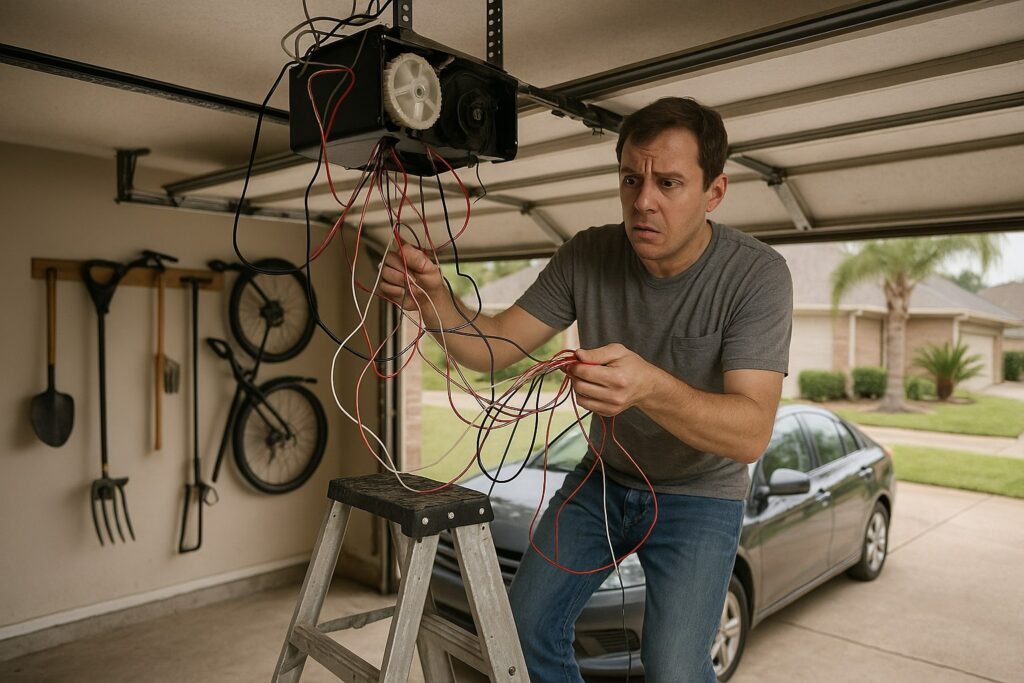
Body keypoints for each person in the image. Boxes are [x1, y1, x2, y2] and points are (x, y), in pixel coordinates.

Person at [378, 97, 793, 682]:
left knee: (674, 667)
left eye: (669, 183)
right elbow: (494, 347)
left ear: (715, 192)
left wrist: (649, 385)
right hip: (603, 477)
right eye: (630, 179)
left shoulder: (757, 276)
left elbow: (750, 432)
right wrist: (436, 302)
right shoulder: (587, 254)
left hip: (701, 492)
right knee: (524, 630)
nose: (643, 201)